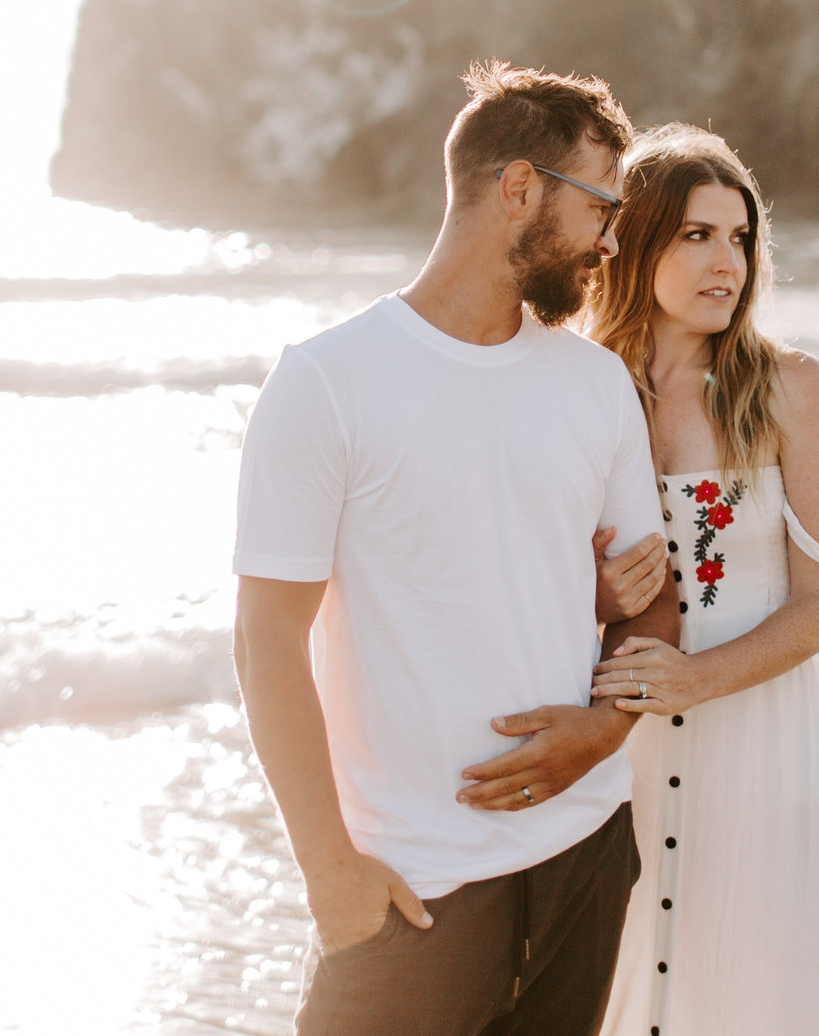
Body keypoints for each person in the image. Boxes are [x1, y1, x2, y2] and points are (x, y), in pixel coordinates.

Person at [232, 60, 679, 1036]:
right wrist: (329, 876)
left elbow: (654, 595)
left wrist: (602, 731)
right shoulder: (327, 382)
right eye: (601, 205)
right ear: (517, 187)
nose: (612, 240)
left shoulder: (595, 385)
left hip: (586, 848)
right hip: (414, 880)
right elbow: (268, 635)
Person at [582, 125, 819, 1036]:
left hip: (763, 742)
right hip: (620, 744)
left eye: (739, 237)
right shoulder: (582, 389)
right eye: (697, 235)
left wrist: (697, 680)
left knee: (754, 991)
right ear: (635, 240)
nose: (727, 261)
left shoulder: (791, 387)